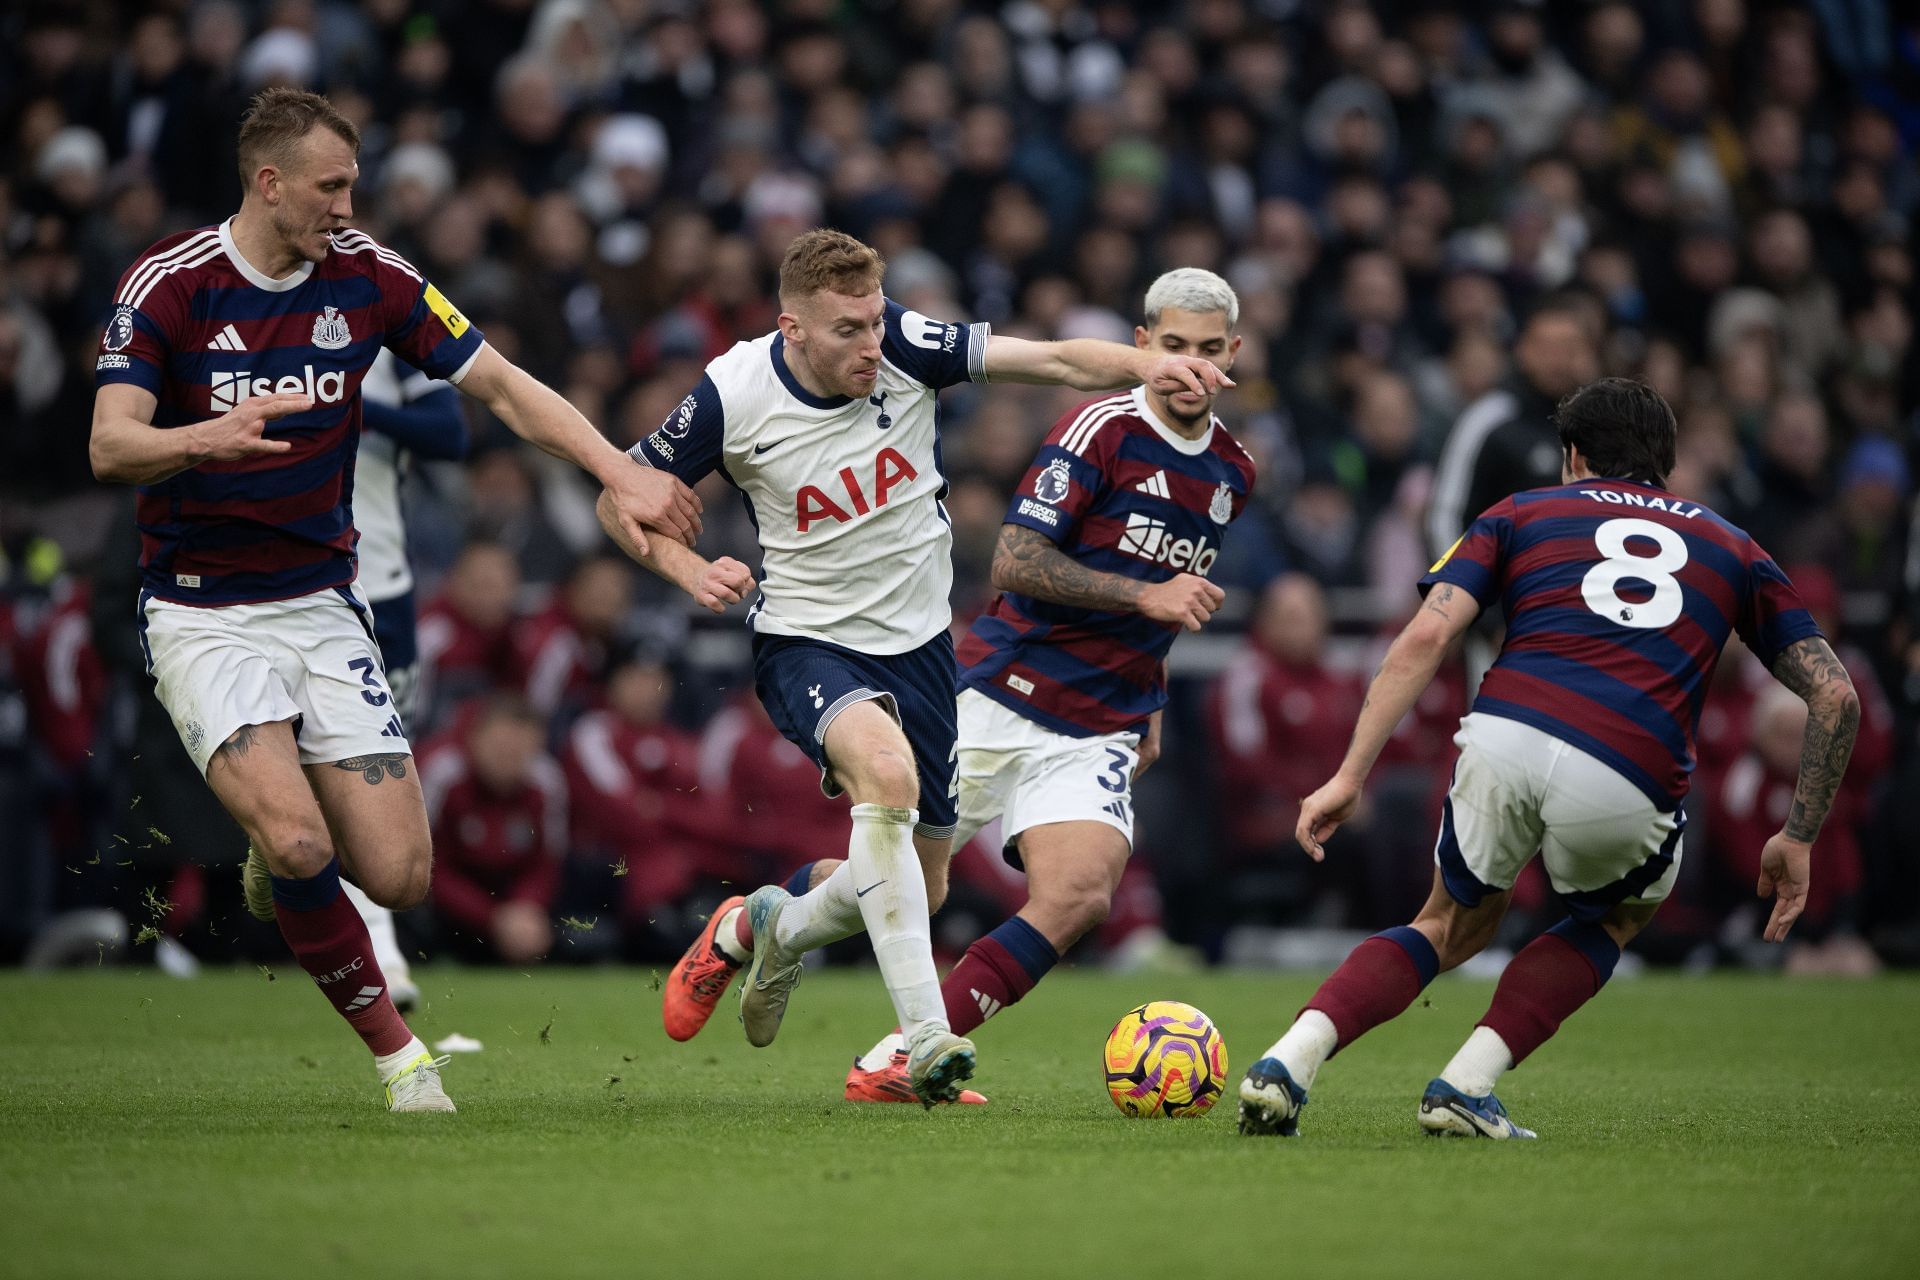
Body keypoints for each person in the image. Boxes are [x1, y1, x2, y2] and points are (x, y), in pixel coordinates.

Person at [87, 88, 698, 1111]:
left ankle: (279, 859)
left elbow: (500, 385)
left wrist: (617, 469)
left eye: (355, 181)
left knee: (400, 873)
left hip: (324, 602)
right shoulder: (170, 285)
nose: (348, 201)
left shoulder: (369, 276)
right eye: (330, 184)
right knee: (299, 842)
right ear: (269, 182)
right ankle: (399, 1056)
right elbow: (110, 444)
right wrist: (206, 438)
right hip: (201, 608)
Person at [599, 230, 1228, 1105]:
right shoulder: (731, 394)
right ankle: (925, 1042)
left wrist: (1145, 366)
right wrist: (688, 569)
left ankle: (761, 926)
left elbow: (1050, 359)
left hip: (925, 650)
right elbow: (617, 494)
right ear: (792, 329)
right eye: (849, 330)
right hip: (808, 640)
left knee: (916, 889)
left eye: (874, 321)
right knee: (885, 780)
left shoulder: (904, 343)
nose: (872, 344)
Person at [1237, 378, 1859, 1140]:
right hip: (1628, 764)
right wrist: (1798, 835)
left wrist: (1348, 774)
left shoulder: (1518, 512)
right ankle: (1466, 1084)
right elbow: (1836, 697)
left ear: (1573, 457)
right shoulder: (1733, 545)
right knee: (1617, 916)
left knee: (1447, 923)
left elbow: (1428, 638)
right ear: (1665, 463)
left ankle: (1285, 1063)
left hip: (1506, 731)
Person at [340, 347, 469, 1010]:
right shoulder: (246, 325)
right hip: (283, 584)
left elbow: (450, 433)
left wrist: (350, 404)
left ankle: (381, 949)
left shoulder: (388, 336)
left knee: (380, 772)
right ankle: (378, 951)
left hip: (381, 586)